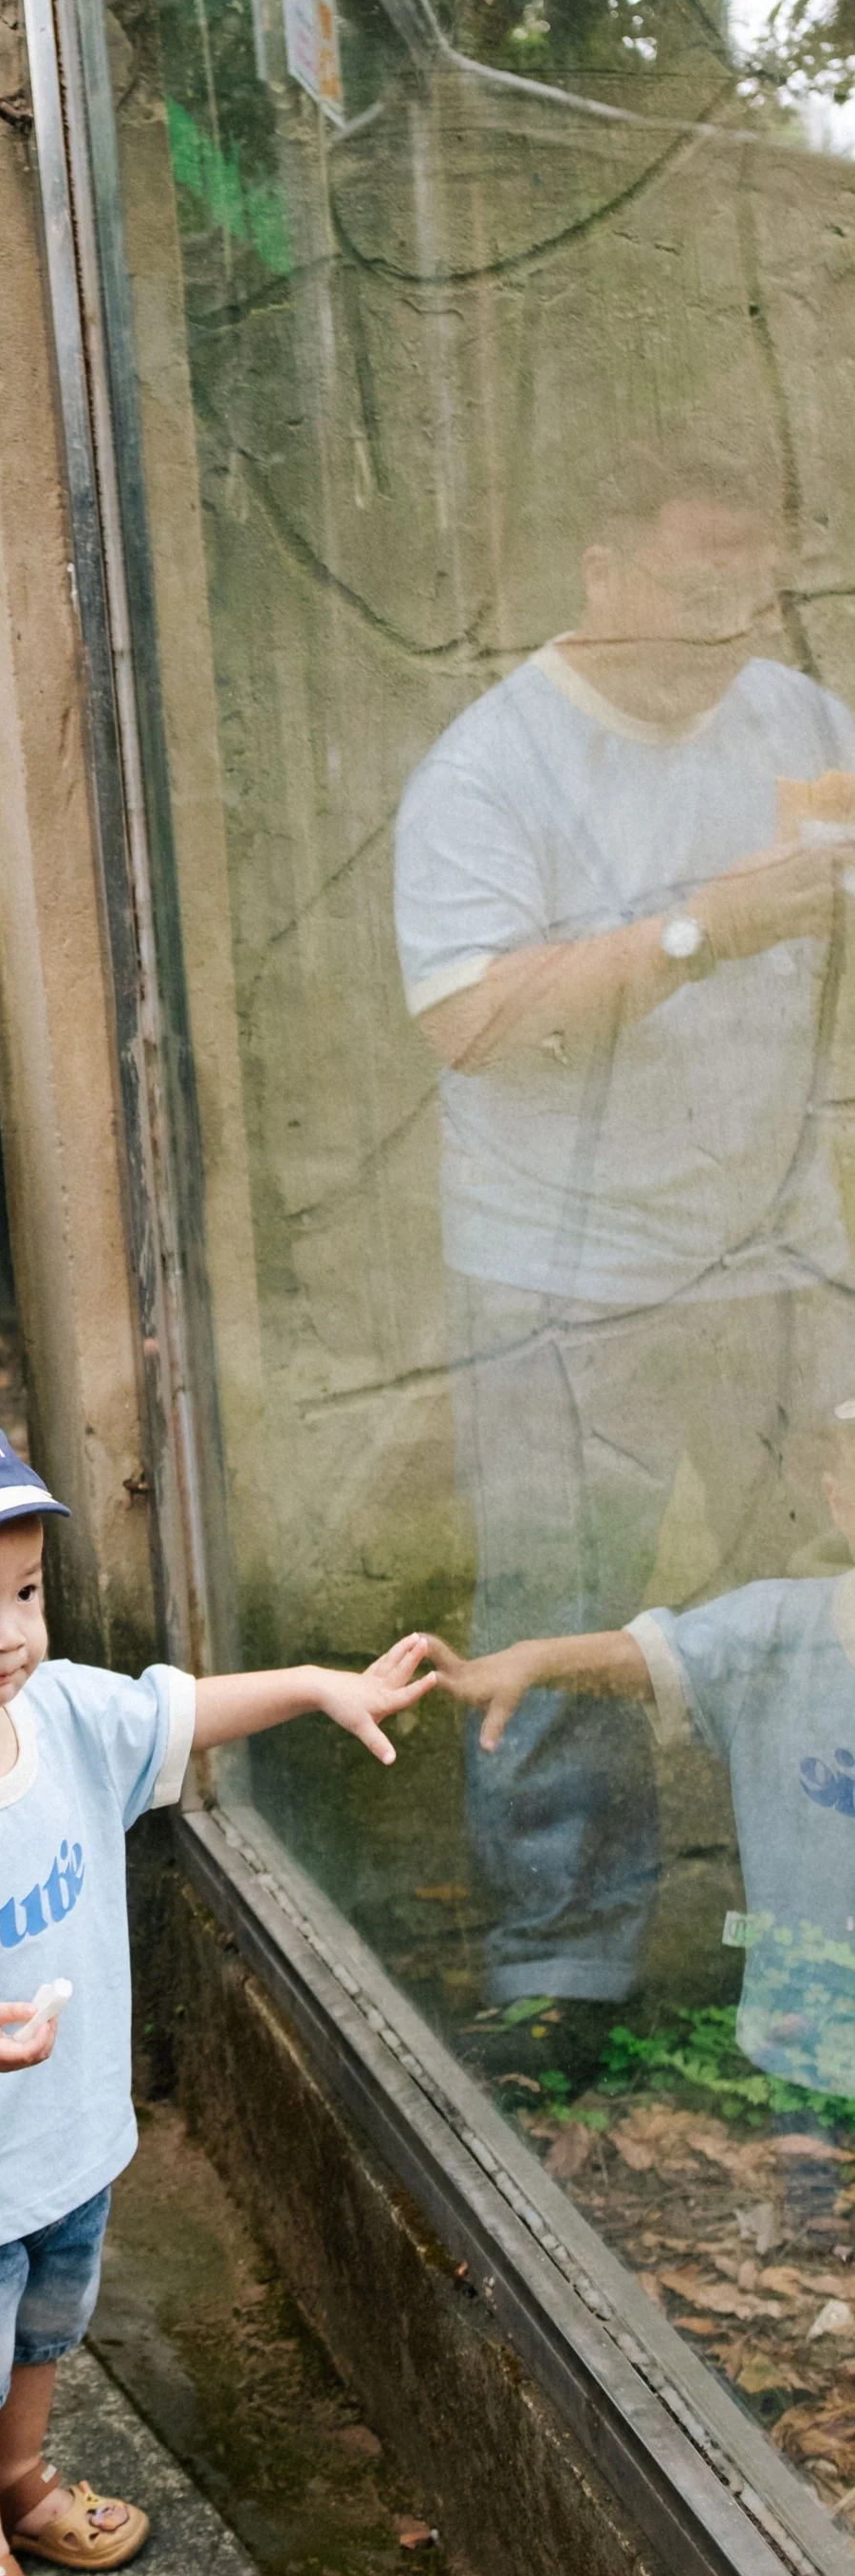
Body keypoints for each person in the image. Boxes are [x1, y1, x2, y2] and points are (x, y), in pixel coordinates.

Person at [0, 1409, 433, 2576]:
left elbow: (180, 1709)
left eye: (23, 1592)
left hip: (68, 2134)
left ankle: (23, 2488)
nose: (10, 1632)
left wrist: (316, 1684)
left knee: (42, 2331)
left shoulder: (66, 1712)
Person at [393, 444, 855, 2065]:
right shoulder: (495, 764)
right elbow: (469, 1019)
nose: (723, 622)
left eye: (750, 588)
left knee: (812, 1605)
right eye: (684, 588)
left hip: (782, 1249)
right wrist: (701, 926)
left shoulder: (798, 719)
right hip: (561, 1276)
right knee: (562, 1604)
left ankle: (814, 1933)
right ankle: (563, 1968)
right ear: (599, 575)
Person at [424, 1400, 855, 2174]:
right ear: (835, 1496)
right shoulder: (780, 1629)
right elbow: (653, 1656)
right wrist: (530, 1660)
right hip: (809, 2023)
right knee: (816, 2200)